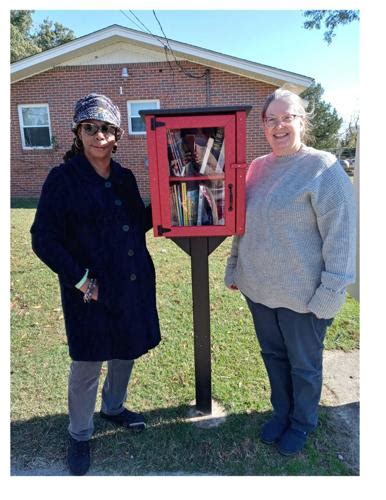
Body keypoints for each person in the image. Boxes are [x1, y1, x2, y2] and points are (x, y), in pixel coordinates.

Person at [30, 93, 161, 475]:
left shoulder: (123, 177)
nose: (98, 136)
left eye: (105, 128)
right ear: (77, 132)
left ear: (117, 135)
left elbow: (137, 222)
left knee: (125, 351)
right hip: (88, 291)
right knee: (88, 363)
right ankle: (80, 433)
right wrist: (81, 279)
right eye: (89, 128)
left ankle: (114, 407)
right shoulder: (62, 179)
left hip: (128, 282)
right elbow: (43, 238)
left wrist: (172, 201)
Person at [224, 88, 356, 456]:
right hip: (259, 290)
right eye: (272, 120)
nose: (279, 126)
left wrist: (330, 293)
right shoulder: (257, 168)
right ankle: (282, 413)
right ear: (263, 126)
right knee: (274, 357)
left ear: (302, 122)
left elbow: (342, 237)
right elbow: (242, 224)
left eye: (288, 118)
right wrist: (235, 266)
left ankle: (302, 423)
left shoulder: (324, 169)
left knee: (304, 366)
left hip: (304, 297)